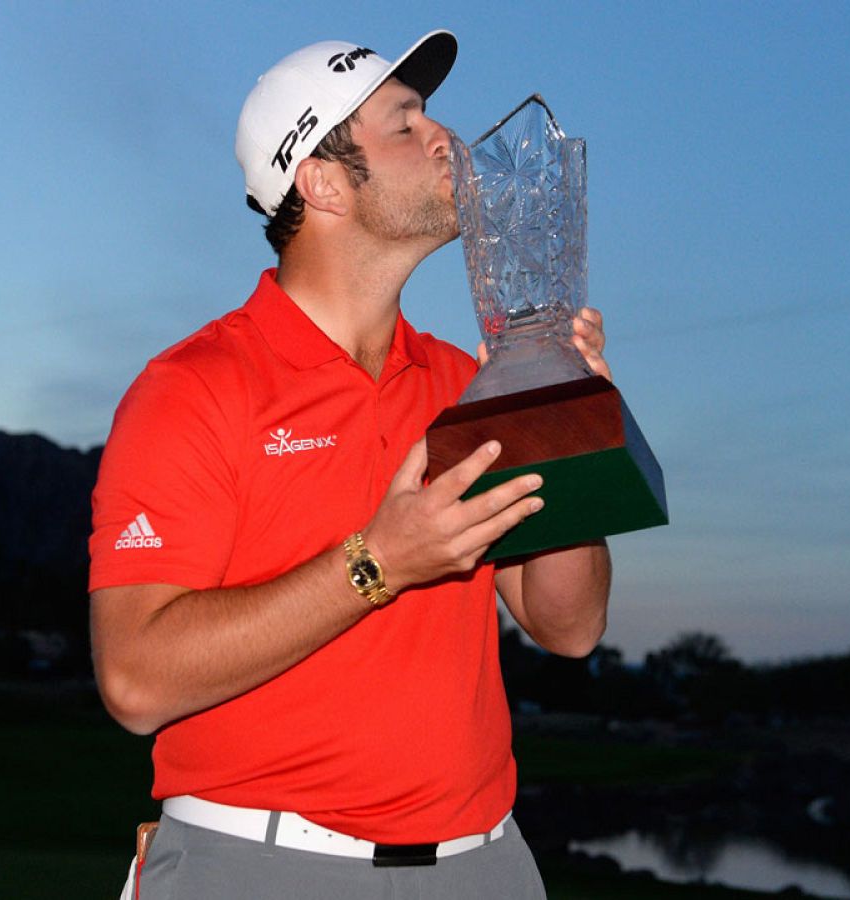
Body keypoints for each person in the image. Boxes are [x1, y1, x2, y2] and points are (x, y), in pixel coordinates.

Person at [89, 29, 613, 899]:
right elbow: (136, 681)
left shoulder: (464, 381)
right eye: (404, 124)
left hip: (483, 866)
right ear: (324, 183)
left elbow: (569, 626)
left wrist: (565, 419)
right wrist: (379, 562)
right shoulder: (194, 389)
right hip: (262, 866)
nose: (444, 136)